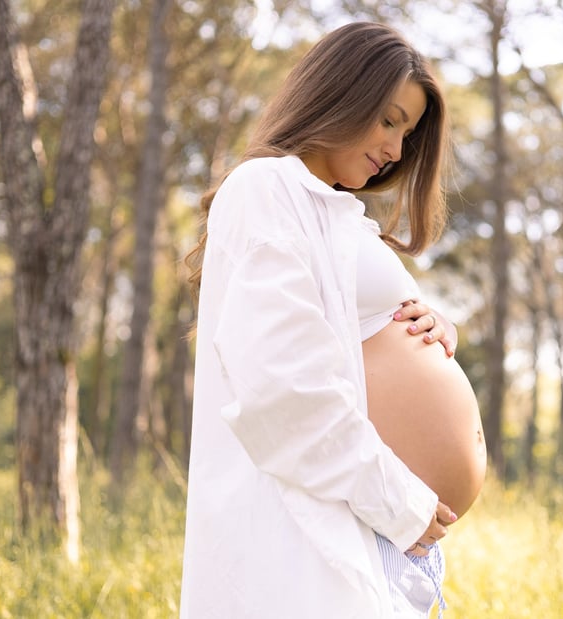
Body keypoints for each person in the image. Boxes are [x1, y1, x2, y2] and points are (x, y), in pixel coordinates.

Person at [180, 21, 486, 619]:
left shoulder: (339, 215)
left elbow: (356, 337)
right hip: (333, 519)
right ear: (343, 94)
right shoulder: (266, 188)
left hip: (379, 529)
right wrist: (398, 501)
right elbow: (282, 387)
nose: (398, 150)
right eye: (390, 120)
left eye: (409, 131)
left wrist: (432, 330)